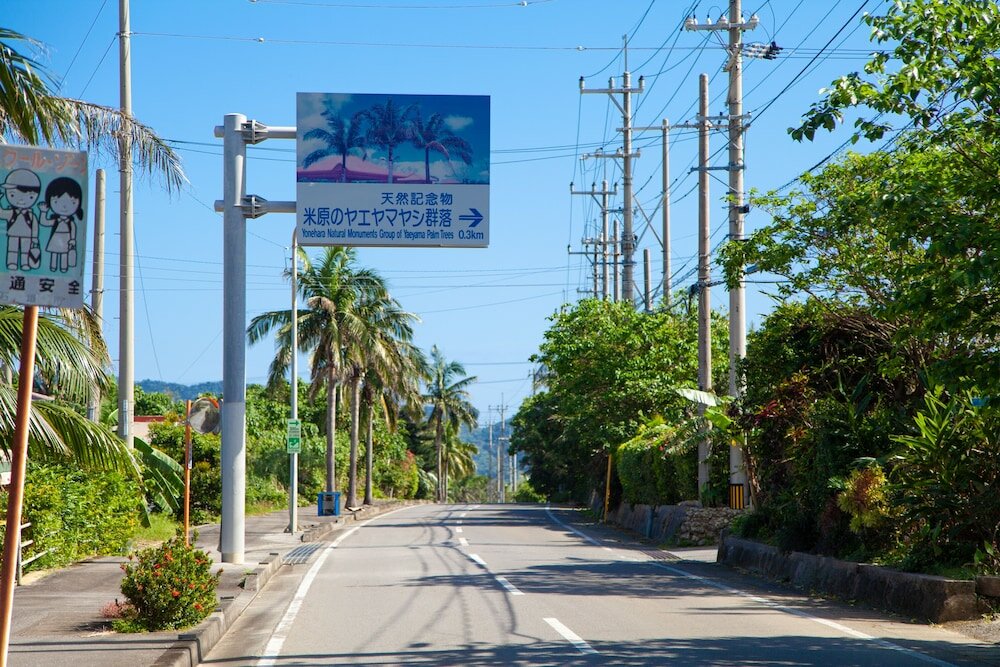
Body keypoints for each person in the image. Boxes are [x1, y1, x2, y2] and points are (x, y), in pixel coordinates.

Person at [0, 169, 42, 271]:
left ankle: (25, 264)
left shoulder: (31, 215)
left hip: (27, 235)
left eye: (30, 196)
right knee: (12, 250)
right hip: (13, 234)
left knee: (25, 251)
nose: (21, 200)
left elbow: (35, 226)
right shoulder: (11, 212)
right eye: (13, 195)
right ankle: (11, 263)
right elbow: (1, 213)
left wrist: (35, 238)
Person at [39, 177, 83, 273]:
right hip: (56, 238)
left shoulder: (71, 223)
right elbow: (44, 222)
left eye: (72, 202)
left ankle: (63, 268)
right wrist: (43, 212)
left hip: (66, 240)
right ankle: (53, 267)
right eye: (56, 201)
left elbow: (74, 231)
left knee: (64, 254)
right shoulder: (56, 220)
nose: (64, 206)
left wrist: (72, 240)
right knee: (54, 253)